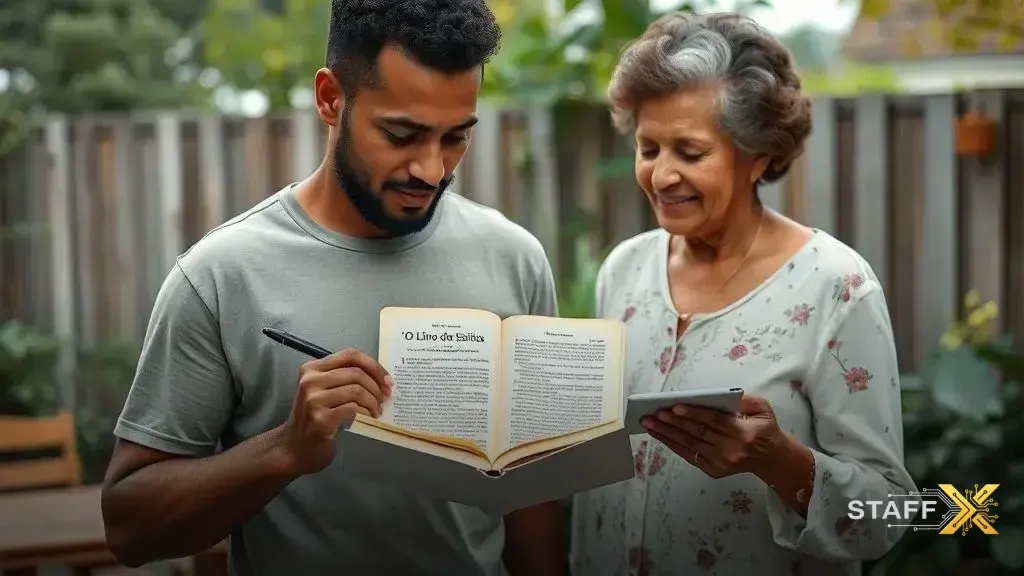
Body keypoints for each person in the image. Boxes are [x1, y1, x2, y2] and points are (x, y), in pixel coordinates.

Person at [99, 1, 566, 574]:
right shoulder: (221, 275)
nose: (431, 170)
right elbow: (127, 528)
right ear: (329, 99)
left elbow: (532, 494)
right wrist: (284, 451)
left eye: (455, 139)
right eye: (401, 134)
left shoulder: (516, 259)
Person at [568, 12, 917, 576]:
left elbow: (889, 513)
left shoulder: (835, 286)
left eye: (690, 151)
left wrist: (780, 462)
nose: (660, 176)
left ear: (757, 156)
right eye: (649, 148)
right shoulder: (623, 270)